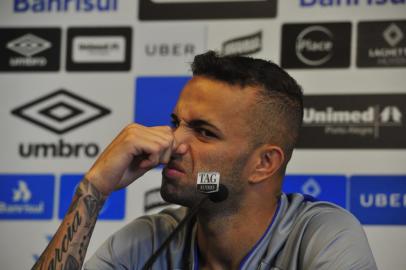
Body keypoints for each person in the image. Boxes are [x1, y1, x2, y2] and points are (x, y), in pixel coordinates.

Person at [33, 51, 377, 270]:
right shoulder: (150, 240)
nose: (174, 143)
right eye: (176, 123)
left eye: (204, 132)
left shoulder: (321, 235)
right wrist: (93, 188)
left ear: (264, 164)